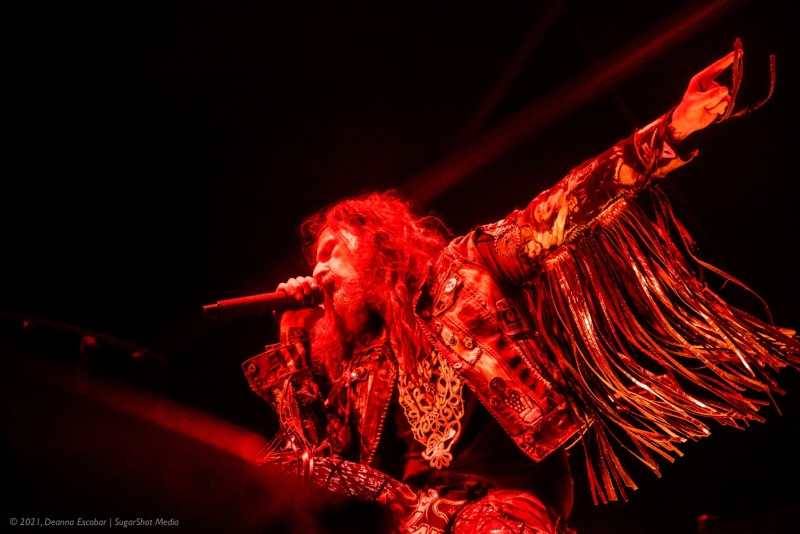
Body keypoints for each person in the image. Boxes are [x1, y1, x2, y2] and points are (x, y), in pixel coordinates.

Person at [241, 45, 799, 533]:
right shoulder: (365, 364)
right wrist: (293, 336)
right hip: (412, 514)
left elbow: (559, 210)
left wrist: (671, 129)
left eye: (331, 250)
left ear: (378, 246)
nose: (318, 271)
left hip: (503, 506)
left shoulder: (469, 271)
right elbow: (312, 460)